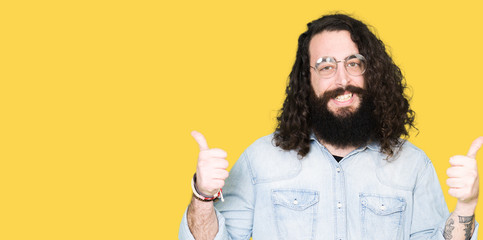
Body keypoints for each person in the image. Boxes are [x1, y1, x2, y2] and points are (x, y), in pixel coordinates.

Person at [178, 14, 481, 240]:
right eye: (326, 67)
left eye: (353, 63)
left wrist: (467, 205)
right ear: (306, 80)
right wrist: (203, 195)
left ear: (371, 72)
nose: (342, 80)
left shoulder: (413, 165)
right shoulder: (260, 160)